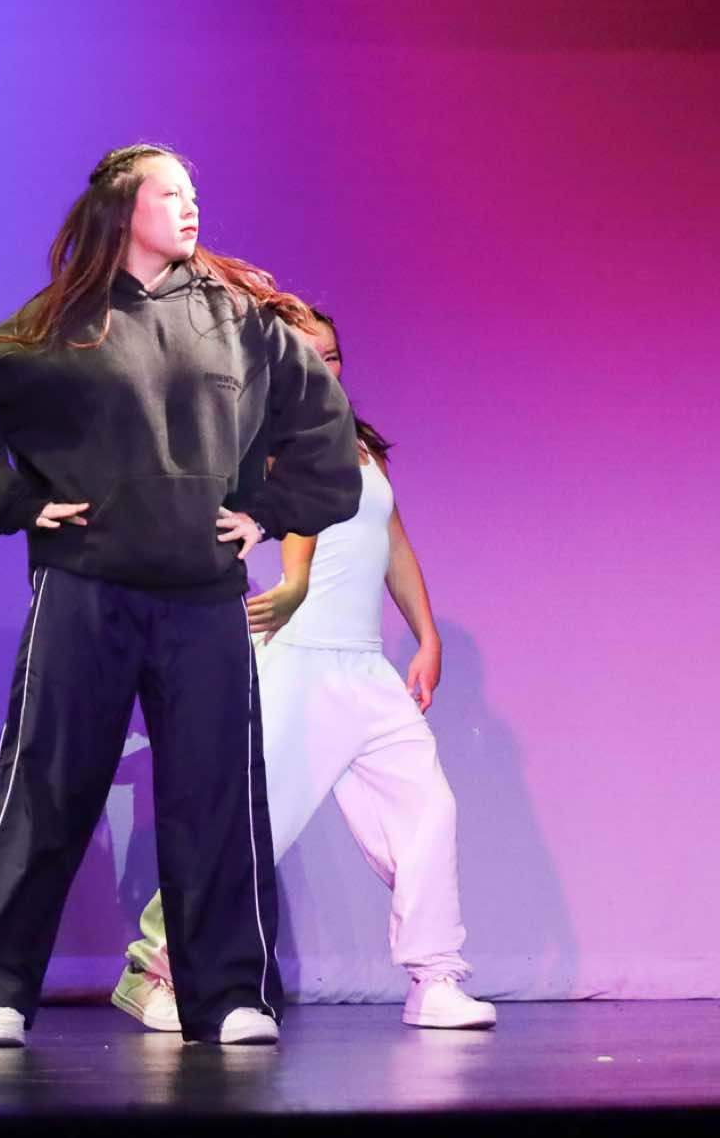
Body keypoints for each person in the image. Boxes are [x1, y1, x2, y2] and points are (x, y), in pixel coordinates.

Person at [0, 144, 360, 1047]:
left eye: (194, 192)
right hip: (86, 586)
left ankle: (229, 995)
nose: (190, 206)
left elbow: (325, 424)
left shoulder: (238, 320)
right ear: (125, 208)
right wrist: (16, 502)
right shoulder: (62, 322)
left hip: (203, 595)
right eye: (170, 192)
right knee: (48, 785)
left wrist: (270, 513)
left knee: (216, 797)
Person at [112, 308, 496, 1032]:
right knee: (251, 826)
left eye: (334, 353)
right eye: (307, 352)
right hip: (295, 661)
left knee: (428, 811)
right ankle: (153, 969)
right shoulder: (262, 437)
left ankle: (434, 976)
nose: (325, 365)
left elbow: (394, 542)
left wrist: (427, 635)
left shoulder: (361, 447)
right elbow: (291, 524)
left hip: (366, 669)